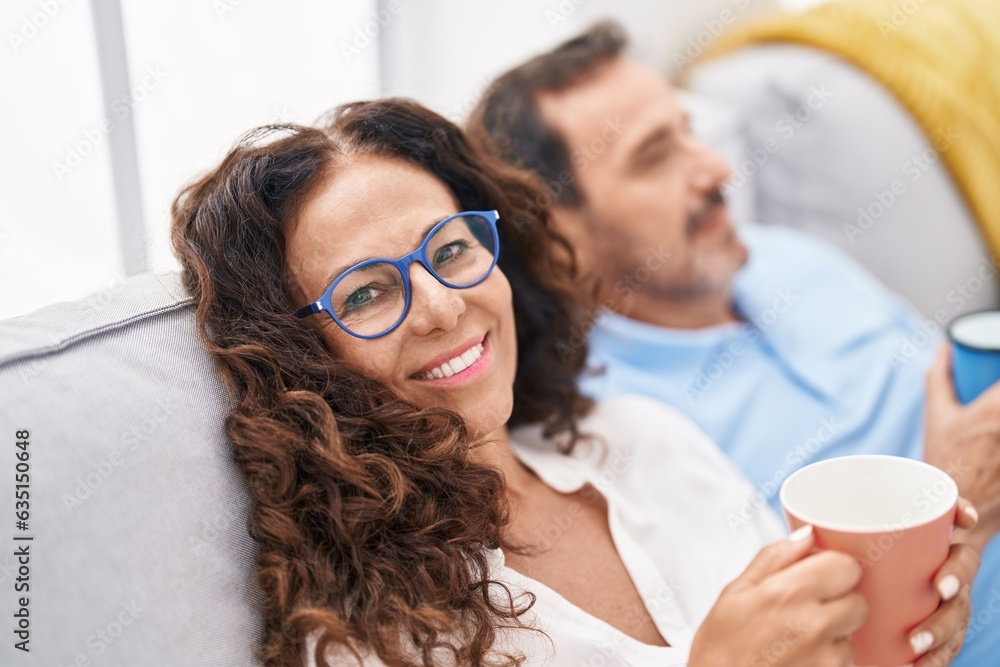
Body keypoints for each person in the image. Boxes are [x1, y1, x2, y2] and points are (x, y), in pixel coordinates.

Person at [169, 99, 976, 666]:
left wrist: (913, 618)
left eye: (450, 250)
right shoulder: (365, 639)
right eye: (369, 292)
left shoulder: (642, 440)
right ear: (302, 357)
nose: (445, 307)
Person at [468, 20, 1000, 666]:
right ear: (557, 234)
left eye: (689, 130)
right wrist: (951, 492)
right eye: (655, 154)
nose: (715, 167)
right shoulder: (618, 436)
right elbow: (807, 636)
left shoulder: (794, 260)